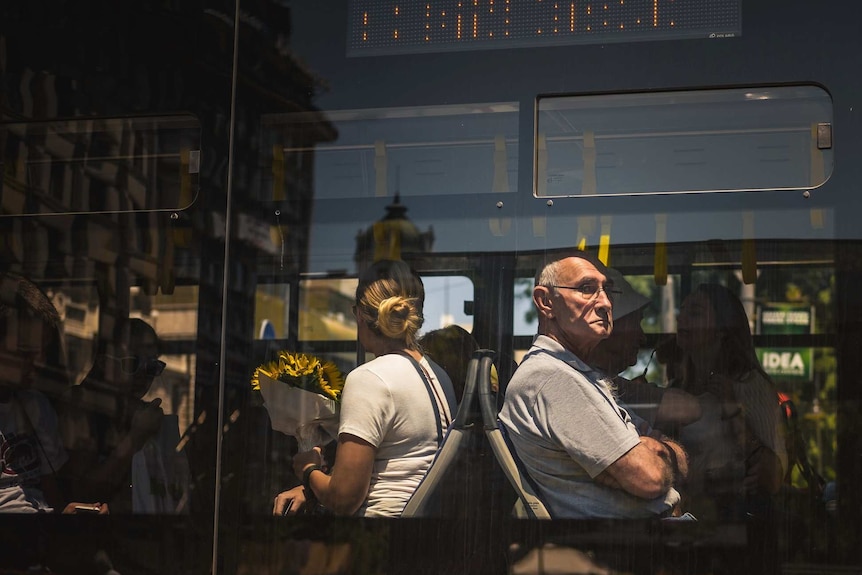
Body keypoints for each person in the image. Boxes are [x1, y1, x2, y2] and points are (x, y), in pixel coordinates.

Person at [499, 254, 687, 518]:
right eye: (587, 289)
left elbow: (654, 464)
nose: (605, 303)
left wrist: (657, 450)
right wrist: (653, 451)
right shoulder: (554, 379)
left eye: (606, 290)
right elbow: (650, 478)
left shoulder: (582, 376)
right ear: (545, 302)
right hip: (626, 546)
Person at [273, 260, 457, 517]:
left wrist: (308, 469)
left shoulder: (370, 378)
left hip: (381, 528)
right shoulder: (437, 375)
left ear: (360, 314)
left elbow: (344, 498)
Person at [671, 283, 787, 520]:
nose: (681, 318)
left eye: (694, 313)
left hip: (733, 518)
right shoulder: (679, 386)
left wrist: (732, 408)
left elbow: (773, 475)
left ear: (722, 329)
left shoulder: (748, 384)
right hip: (687, 516)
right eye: (681, 311)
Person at [0, 271, 107, 515]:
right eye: (25, 352)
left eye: (42, 352)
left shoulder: (34, 406)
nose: (38, 363)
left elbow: (53, 494)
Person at [58, 318, 184, 514]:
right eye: (133, 363)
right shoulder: (80, 404)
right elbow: (81, 494)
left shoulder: (138, 411)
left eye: (152, 367)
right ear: (104, 362)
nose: (144, 374)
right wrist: (135, 439)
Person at [588, 267, 701, 436]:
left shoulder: (601, 382)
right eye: (636, 323)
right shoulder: (592, 384)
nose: (642, 337)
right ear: (607, 326)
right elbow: (689, 408)